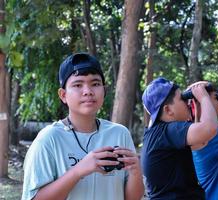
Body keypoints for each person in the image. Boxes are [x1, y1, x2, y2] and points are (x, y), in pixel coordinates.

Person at [22, 53, 144, 200]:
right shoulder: (49, 139)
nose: (88, 91)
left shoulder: (119, 134)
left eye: (95, 84)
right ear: (63, 95)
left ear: (104, 91)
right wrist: (78, 170)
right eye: (78, 85)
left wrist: (136, 171)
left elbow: (132, 198)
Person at [141, 77, 218, 199]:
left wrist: (198, 105)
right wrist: (203, 97)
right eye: (182, 99)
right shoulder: (167, 132)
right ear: (168, 110)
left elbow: (201, 141)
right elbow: (210, 128)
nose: (187, 102)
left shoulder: (157, 133)